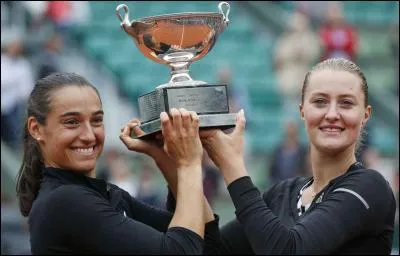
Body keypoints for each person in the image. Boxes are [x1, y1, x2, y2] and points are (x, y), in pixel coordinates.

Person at [197, 58, 396, 254]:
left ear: (365, 115)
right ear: (302, 111)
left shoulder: (370, 188)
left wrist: (231, 165)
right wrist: (185, 164)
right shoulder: (281, 194)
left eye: (346, 103)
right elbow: (216, 250)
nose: (332, 114)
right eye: (320, 102)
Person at [15, 72, 209, 254]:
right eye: (72, 122)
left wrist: (164, 160)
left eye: (97, 120)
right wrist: (188, 163)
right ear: (36, 129)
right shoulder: (65, 201)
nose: (89, 135)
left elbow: (205, 241)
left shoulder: (108, 194)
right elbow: (181, 250)